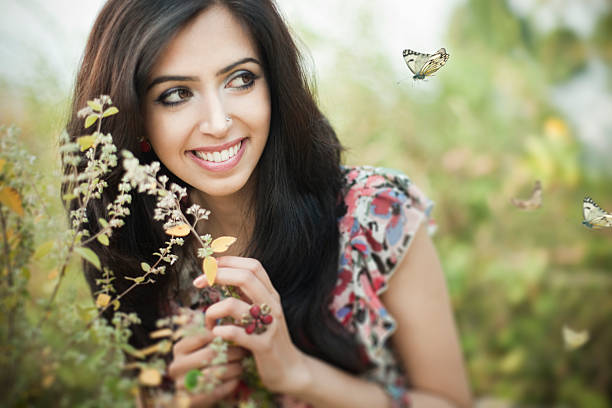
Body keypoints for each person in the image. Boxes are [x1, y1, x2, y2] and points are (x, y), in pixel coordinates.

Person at [64, 0, 473, 406]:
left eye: (240, 79)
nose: (218, 122)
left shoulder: (376, 215)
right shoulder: (137, 250)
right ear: (137, 119)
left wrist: (300, 375)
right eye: (176, 94)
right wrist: (181, 400)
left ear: (275, 86)